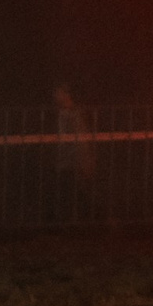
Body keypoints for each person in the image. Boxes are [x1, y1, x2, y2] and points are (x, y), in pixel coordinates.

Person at [54, 85, 97, 223]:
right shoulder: (65, 112)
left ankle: (82, 222)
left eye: (58, 93)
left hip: (75, 160)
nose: (56, 96)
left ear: (67, 94)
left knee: (78, 192)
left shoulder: (73, 113)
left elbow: (79, 138)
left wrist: (84, 159)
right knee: (72, 192)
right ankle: (75, 222)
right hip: (69, 160)